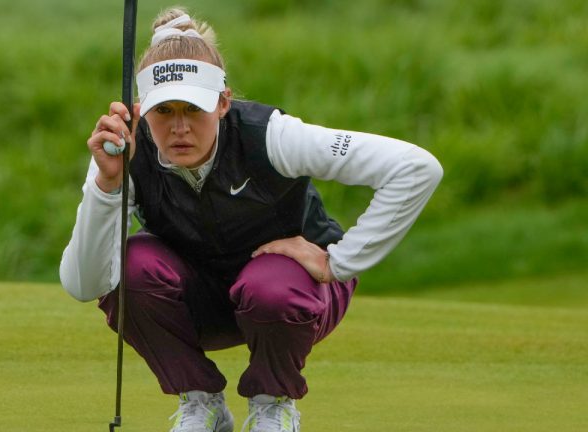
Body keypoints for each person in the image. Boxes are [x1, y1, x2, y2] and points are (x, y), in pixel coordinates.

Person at [60, 7, 442, 432]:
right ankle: (201, 403)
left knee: (270, 285)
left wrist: (340, 261)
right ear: (140, 110)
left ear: (223, 102)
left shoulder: (273, 136)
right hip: (202, 300)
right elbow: (84, 284)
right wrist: (108, 186)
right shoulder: (124, 152)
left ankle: (272, 405)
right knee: (131, 264)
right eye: (163, 110)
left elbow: (415, 168)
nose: (179, 127)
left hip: (296, 297)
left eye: (194, 108)